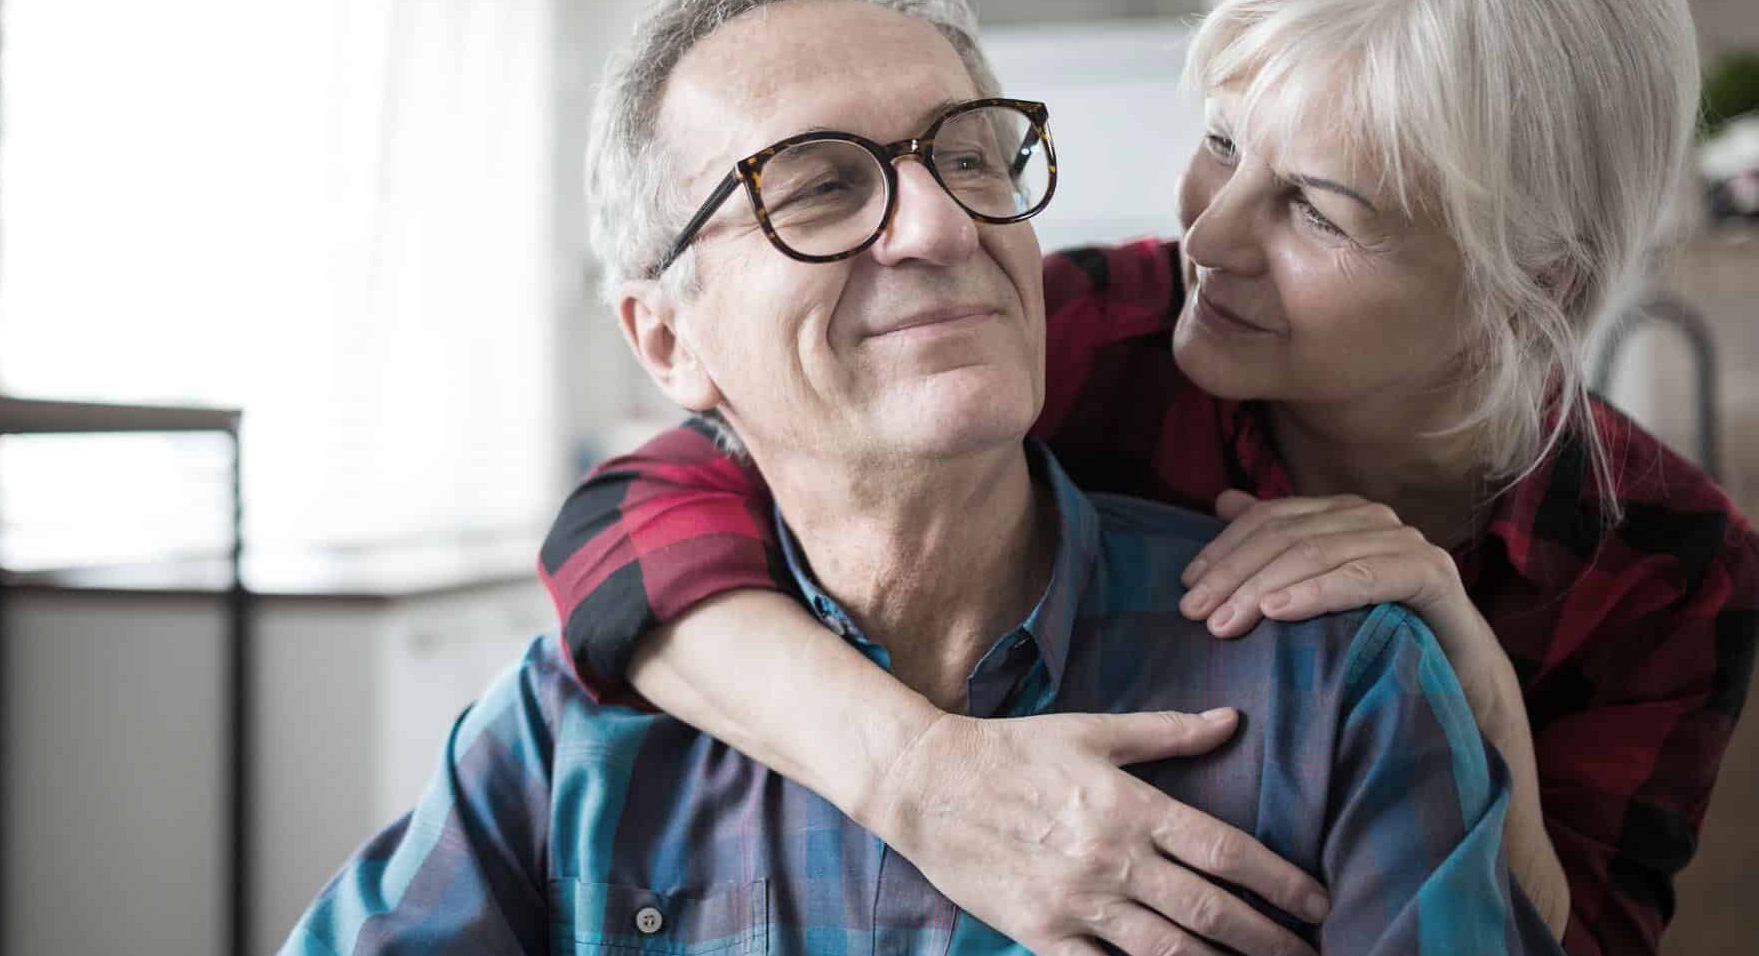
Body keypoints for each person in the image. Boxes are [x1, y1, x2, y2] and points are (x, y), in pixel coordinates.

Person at [279, 1, 1566, 953]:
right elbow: (613, 521)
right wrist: (915, 770)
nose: (944, 224)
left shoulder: (1341, 683)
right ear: (666, 338)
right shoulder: (571, 730)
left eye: (970, 154)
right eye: (820, 187)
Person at [536, 0, 1759, 953]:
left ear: (1530, 284)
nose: (1210, 236)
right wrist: (913, 775)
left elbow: (1582, 940)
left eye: (1314, 211)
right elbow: (624, 518)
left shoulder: (1665, 561)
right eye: (1220, 144)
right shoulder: (1086, 336)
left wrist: (1480, 697)